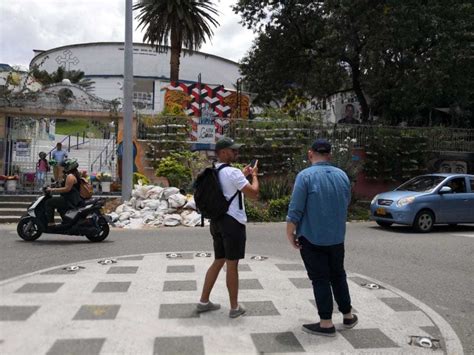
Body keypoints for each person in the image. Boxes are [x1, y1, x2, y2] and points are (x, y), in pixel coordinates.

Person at [286, 139, 357, 337]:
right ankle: (348, 315)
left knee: (320, 279)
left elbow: (295, 209)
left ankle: (326, 323)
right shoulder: (342, 175)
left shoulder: (305, 176)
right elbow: (346, 202)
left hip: (312, 237)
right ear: (330, 155)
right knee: (338, 275)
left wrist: (290, 233)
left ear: (310, 154)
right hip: (336, 237)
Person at [196, 137, 259, 318]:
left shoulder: (214, 170)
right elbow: (254, 194)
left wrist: (243, 174)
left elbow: (229, 186)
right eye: (233, 150)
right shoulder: (233, 173)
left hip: (216, 221)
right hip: (233, 223)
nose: (236, 153)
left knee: (219, 260)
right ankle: (234, 307)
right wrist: (254, 176)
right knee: (232, 265)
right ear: (223, 152)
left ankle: (204, 301)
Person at [45, 159, 84, 226]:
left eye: (65, 166)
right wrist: (55, 185)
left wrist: (52, 190)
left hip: (70, 200)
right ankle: (66, 221)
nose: (63, 168)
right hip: (71, 198)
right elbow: (64, 184)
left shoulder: (70, 176)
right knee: (59, 206)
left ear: (70, 167)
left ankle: (51, 223)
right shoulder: (73, 175)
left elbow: (67, 189)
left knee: (49, 202)